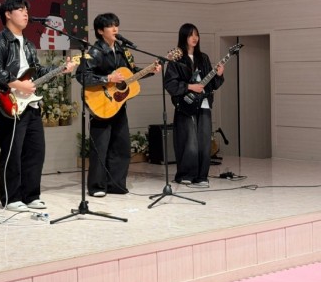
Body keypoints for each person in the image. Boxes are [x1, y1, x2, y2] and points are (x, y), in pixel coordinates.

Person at [0, 0, 76, 212]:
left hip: (30, 103)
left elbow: (37, 71)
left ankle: (31, 195)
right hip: (8, 102)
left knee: (36, 151)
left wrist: (60, 69)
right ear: (8, 14)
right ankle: (11, 198)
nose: (25, 13)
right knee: (12, 152)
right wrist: (19, 85)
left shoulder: (28, 44)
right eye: (20, 10)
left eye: (26, 10)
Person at [75, 13, 160, 197]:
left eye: (116, 25)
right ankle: (97, 186)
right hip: (100, 104)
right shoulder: (95, 51)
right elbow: (82, 75)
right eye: (110, 26)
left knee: (121, 147)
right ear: (100, 31)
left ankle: (116, 184)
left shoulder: (122, 50)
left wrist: (151, 70)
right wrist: (108, 78)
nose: (115, 29)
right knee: (101, 148)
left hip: (118, 105)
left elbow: (132, 73)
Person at [164, 23, 224, 188]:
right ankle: (186, 174)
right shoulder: (176, 59)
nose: (194, 38)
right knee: (188, 141)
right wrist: (190, 87)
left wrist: (219, 75)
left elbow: (211, 85)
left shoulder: (203, 58)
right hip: (186, 104)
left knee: (204, 141)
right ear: (184, 37)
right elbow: (170, 84)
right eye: (191, 35)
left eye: (196, 34)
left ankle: (202, 176)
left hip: (203, 103)